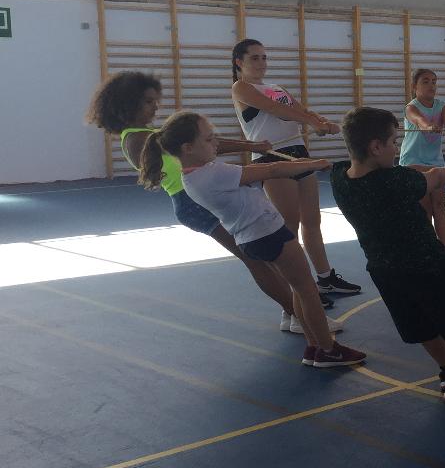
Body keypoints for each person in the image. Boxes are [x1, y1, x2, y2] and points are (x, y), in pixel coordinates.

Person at [84, 72, 319, 332]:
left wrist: (250, 146)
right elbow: (193, 146)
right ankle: (296, 314)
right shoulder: (137, 138)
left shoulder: (147, 134)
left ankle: (292, 311)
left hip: (199, 199)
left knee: (258, 257)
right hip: (194, 202)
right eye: (149, 102)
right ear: (129, 105)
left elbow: (200, 144)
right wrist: (246, 146)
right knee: (254, 259)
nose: (156, 107)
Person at [148, 111, 365, 368]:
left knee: (298, 288)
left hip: (251, 238)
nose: (215, 143)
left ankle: (313, 346)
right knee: (307, 290)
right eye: (208, 139)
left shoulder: (192, 177)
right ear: (188, 148)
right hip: (268, 233)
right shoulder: (213, 173)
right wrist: (312, 164)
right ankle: (328, 349)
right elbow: (271, 169)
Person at [330, 106, 445, 402]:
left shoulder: (340, 178)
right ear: (376, 147)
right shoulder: (395, 183)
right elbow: (434, 178)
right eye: (393, 142)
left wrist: (420, 170)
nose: (397, 148)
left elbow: (403, 173)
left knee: (423, 326)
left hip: (385, 271)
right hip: (430, 266)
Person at [230, 39, 361, 318]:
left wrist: (321, 121)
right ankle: (298, 293)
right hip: (274, 160)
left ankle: (325, 277)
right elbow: (277, 110)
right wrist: (311, 121)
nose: (262, 63)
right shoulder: (241, 88)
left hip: (299, 154)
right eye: (255, 58)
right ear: (239, 62)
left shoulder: (276, 87)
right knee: (289, 226)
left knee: (312, 221)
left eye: (264, 57)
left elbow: (301, 110)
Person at [401, 68, 445, 270]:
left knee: (440, 207)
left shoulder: (442, 105)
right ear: (414, 86)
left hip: (436, 162)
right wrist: (427, 126)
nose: (431, 85)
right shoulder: (411, 107)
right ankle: (428, 254)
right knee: (425, 210)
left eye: (434, 81)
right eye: (425, 81)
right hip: (414, 162)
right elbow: (419, 120)